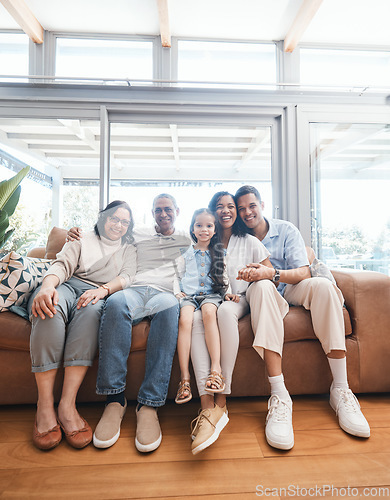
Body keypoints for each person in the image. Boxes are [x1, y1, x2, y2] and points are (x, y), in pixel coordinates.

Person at [234, 184, 370, 450]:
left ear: (261, 205)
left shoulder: (285, 230)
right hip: (264, 296)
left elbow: (303, 273)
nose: (247, 212)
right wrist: (256, 277)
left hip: (292, 288)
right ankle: (280, 395)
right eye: (241, 209)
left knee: (323, 287)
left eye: (251, 206)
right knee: (261, 287)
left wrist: (270, 273)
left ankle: (341, 390)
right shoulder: (238, 239)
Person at [71, 194, 190, 452]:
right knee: (114, 304)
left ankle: (149, 404)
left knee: (171, 310)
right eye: (158, 210)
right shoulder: (138, 233)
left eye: (168, 209)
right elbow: (105, 232)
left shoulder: (187, 238)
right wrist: (73, 233)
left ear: (177, 211)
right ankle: (114, 400)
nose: (163, 214)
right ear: (152, 212)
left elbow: (210, 247)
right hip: (134, 289)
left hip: (164, 293)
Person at [29, 200, 137, 450]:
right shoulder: (81, 237)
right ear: (103, 217)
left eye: (124, 222)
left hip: (97, 293)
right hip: (67, 285)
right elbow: (61, 265)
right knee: (49, 309)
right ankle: (44, 406)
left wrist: (103, 290)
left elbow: (128, 275)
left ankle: (67, 405)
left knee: (91, 314)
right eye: (114, 218)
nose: (118, 225)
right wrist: (47, 287)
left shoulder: (129, 249)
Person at [189, 192, 277, 455]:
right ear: (212, 213)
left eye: (231, 206)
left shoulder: (249, 241)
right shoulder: (205, 240)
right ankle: (207, 407)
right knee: (196, 317)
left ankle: (222, 398)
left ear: (236, 213)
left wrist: (255, 273)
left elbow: (270, 275)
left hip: (241, 298)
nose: (226, 211)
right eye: (220, 207)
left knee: (226, 312)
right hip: (211, 299)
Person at [173, 208, 239, 405]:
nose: (204, 229)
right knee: (185, 320)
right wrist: (178, 292)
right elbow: (176, 275)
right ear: (193, 229)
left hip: (212, 295)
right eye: (199, 225)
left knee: (210, 313)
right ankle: (184, 379)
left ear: (214, 229)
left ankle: (216, 369)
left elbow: (226, 275)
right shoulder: (185, 253)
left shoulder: (220, 252)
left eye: (209, 225)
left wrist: (229, 291)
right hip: (190, 296)